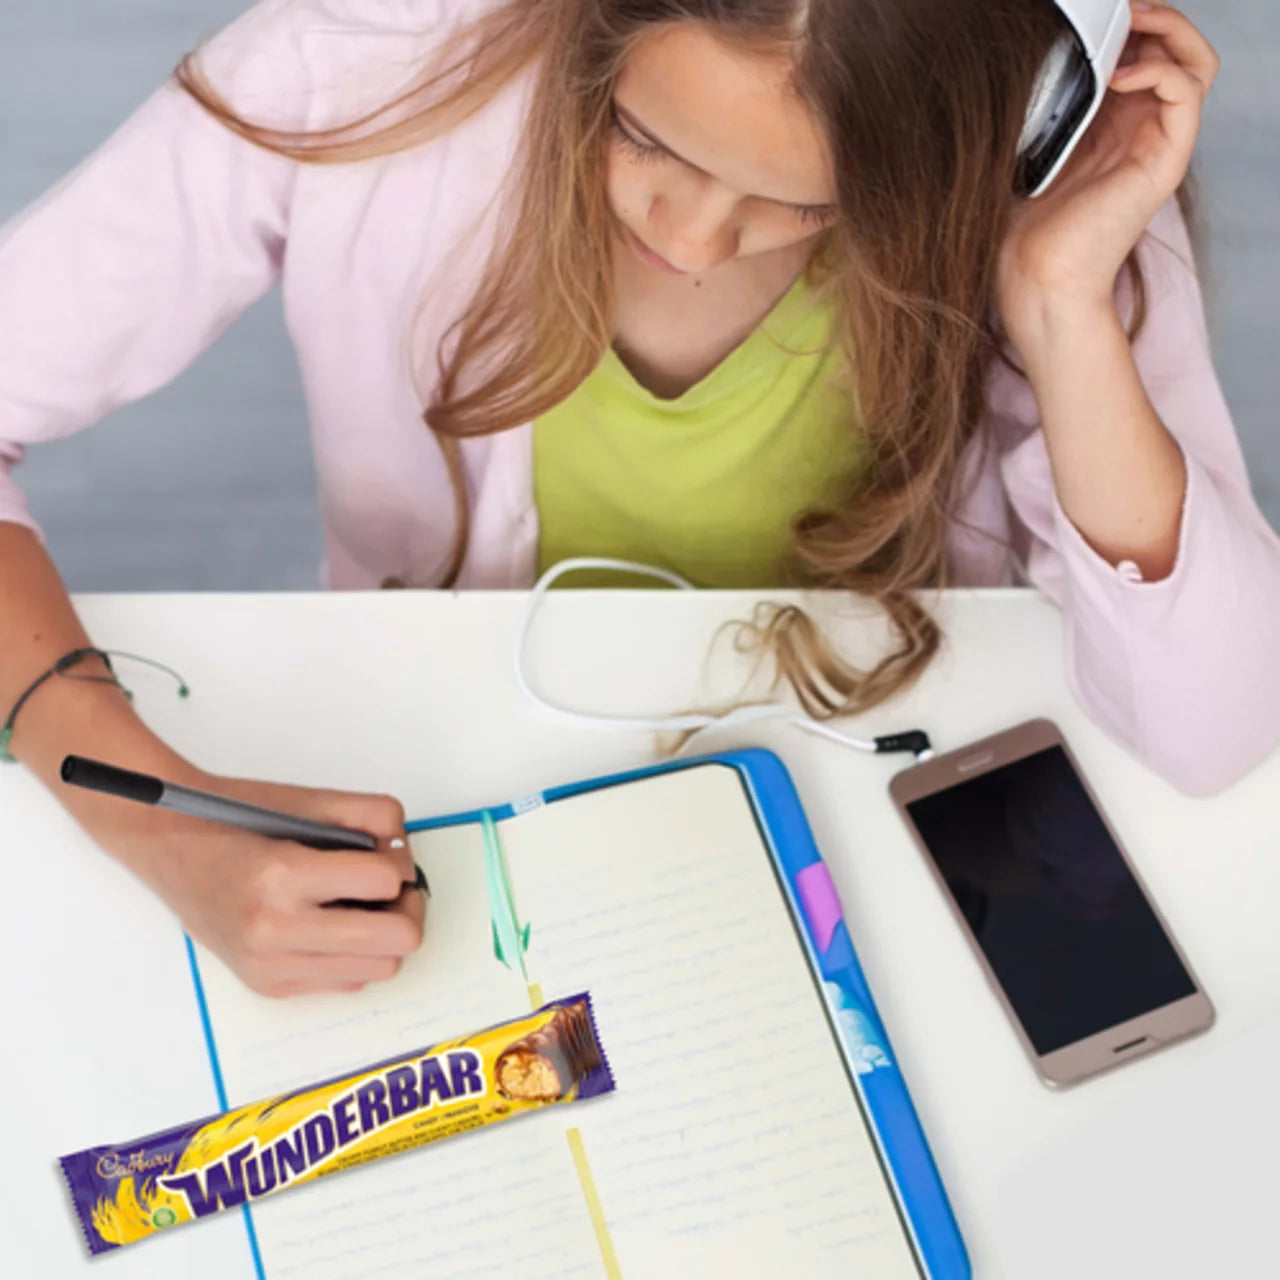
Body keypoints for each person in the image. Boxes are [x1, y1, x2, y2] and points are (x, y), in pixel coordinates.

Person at [0, 0, 1276, 996]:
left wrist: (1059, 307)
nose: (698, 235)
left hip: (892, 814)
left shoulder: (1034, 208)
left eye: (807, 200)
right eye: (646, 138)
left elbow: (1213, 724)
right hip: (443, 771)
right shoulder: (361, 66)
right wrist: (150, 817)